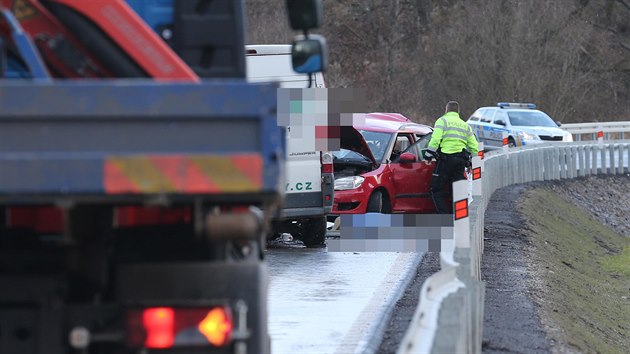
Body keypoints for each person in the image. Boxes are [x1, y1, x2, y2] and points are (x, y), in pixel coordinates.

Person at [426, 101, 479, 214]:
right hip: (460, 162)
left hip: (445, 160)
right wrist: (473, 162)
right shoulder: (465, 125)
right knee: (458, 191)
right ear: (458, 111)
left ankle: (445, 216)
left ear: (446, 110)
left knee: (435, 189)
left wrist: (429, 155)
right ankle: (459, 217)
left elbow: (435, 139)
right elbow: (474, 146)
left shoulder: (442, 121)